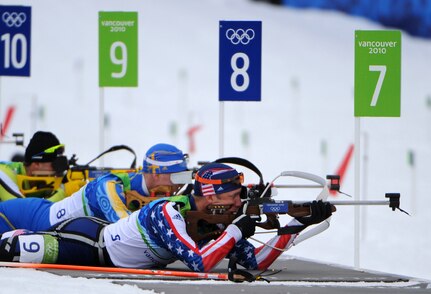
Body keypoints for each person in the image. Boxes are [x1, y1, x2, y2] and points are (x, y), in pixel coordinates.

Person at [0, 162, 332, 273]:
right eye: (232, 197)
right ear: (211, 196)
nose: (237, 203)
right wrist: (235, 229)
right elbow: (199, 263)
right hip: (88, 244)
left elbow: (256, 262)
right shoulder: (168, 212)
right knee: (11, 253)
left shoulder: (216, 221)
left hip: (105, 253)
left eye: (239, 199)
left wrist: (295, 224)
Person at [0, 143, 191, 233]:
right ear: (156, 173)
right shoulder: (109, 186)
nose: (179, 184)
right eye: (176, 176)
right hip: (23, 218)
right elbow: (128, 227)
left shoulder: (145, 191)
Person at [0, 131, 68, 203]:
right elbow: (23, 211)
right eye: (54, 165)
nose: (56, 171)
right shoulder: (3, 173)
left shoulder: (42, 183)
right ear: (36, 163)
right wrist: (63, 192)